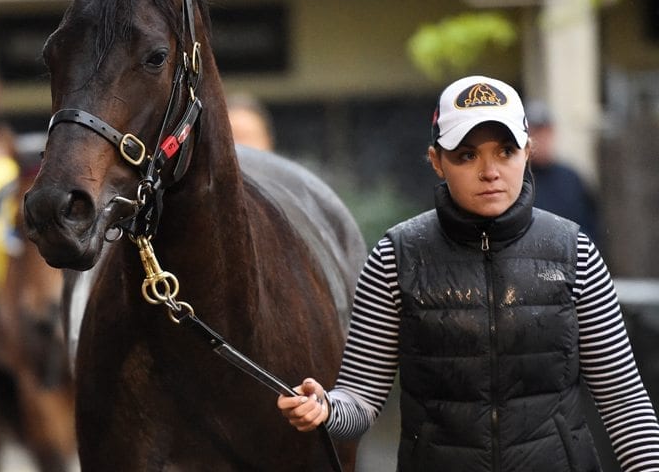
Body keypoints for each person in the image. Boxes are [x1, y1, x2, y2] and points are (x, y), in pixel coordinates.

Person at [277, 75, 659, 472]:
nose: (489, 171)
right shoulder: (396, 257)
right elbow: (360, 399)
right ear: (436, 161)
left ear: (528, 152)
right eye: (467, 155)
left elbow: (623, 398)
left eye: (506, 151)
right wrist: (323, 408)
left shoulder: (573, 252)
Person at [525, 99, 598, 242]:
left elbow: (592, 225)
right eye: (534, 133)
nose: (540, 140)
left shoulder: (572, 178)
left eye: (545, 132)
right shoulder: (517, 180)